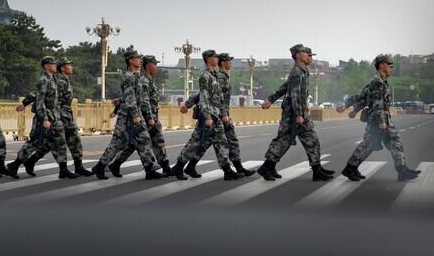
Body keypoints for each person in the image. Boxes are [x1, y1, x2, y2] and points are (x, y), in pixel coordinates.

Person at [256, 44, 334, 181]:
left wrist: (271, 99)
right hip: (293, 114)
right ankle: (267, 167)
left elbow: (285, 87)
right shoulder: (297, 72)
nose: (309, 57)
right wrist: (299, 114)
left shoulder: (302, 71)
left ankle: (316, 169)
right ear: (298, 55)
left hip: (299, 112)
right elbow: (295, 94)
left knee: (307, 140)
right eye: (306, 54)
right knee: (286, 141)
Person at [341, 54, 420, 182]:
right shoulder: (377, 81)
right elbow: (377, 103)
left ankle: (402, 169)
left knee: (385, 143)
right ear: (382, 65)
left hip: (379, 118)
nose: (391, 68)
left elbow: (365, 96)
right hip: (378, 120)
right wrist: (382, 121)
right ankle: (351, 168)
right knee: (373, 143)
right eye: (389, 65)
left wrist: (354, 109)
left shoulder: (380, 80)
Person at [90, 49, 164, 180]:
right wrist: (136, 115)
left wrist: (148, 117)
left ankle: (149, 169)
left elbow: (142, 98)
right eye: (136, 58)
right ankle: (100, 166)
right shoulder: (129, 76)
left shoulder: (136, 77)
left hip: (137, 114)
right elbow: (130, 98)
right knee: (118, 143)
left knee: (144, 139)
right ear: (130, 61)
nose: (139, 60)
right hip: (127, 116)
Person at [170, 50, 240, 181]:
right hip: (208, 117)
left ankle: (227, 170)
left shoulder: (214, 76)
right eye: (214, 57)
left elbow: (219, 98)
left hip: (216, 116)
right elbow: (204, 98)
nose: (216, 59)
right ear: (208, 59)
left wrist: (224, 114)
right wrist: (207, 116)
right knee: (194, 143)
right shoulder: (205, 77)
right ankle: (179, 166)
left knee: (221, 143)